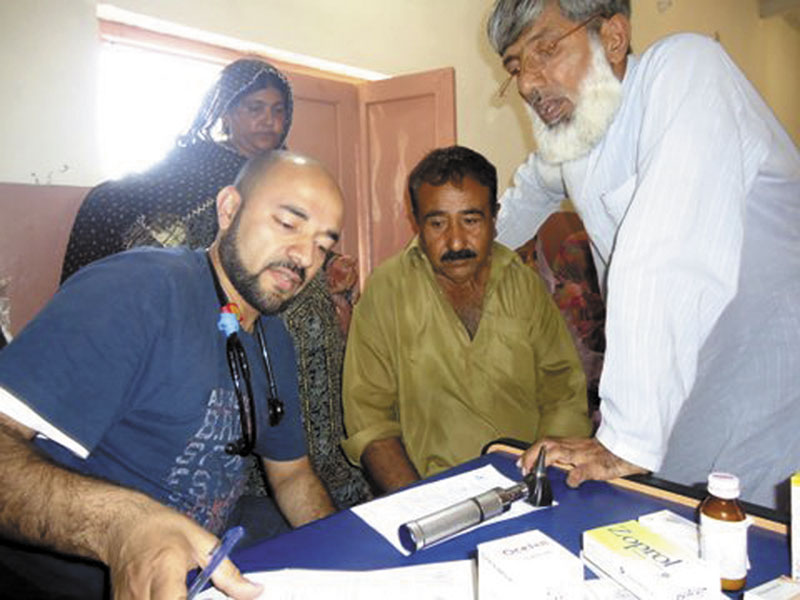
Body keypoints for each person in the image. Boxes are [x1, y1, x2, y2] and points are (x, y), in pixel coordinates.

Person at [486, 0, 800, 510]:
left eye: (545, 49)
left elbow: (662, 252)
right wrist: (446, 252)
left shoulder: (687, 68)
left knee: (766, 547)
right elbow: (516, 207)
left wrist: (622, 439)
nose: (526, 83)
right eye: (516, 66)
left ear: (612, 38)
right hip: (691, 378)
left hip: (776, 367)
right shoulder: (573, 139)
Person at [0, 152, 342, 599]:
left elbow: (292, 476)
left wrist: (343, 560)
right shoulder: (137, 291)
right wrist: (121, 525)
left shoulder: (271, 337)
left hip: (198, 569)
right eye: (288, 224)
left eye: (323, 244)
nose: (304, 257)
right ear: (228, 209)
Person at [61, 57, 371, 510]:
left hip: (284, 340)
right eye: (254, 108)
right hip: (224, 328)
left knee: (295, 453)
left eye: (279, 109)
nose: (270, 119)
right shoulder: (188, 181)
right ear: (225, 112)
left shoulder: (292, 170)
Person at [341, 145, 592, 494]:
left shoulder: (524, 284)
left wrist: (543, 481)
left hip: (526, 491)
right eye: (437, 222)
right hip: (426, 494)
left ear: (494, 217)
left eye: (471, 220)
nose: (455, 240)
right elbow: (370, 421)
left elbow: (563, 390)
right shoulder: (387, 290)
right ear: (416, 221)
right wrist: (421, 505)